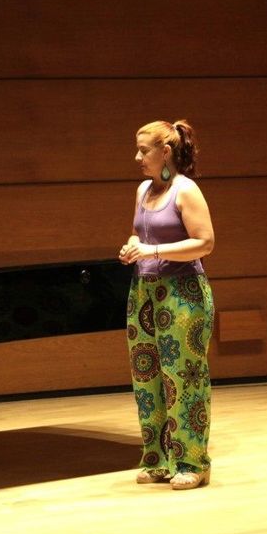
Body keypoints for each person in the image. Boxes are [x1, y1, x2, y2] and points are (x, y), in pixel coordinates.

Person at [117, 119, 216, 491]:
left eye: (144, 150)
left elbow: (205, 242)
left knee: (183, 378)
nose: (137, 157)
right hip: (144, 290)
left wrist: (153, 250)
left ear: (166, 152)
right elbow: (141, 232)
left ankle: (192, 461)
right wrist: (132, 246)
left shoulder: (186, 191)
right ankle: (157, 458)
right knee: (148, 378)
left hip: (183, 293)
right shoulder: (143, 189)